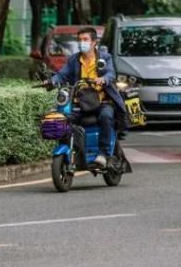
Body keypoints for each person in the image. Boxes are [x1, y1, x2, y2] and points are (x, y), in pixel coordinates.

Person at [51, 27, 126, 168]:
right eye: (79, 40)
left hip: (102, 102)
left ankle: (103, 154)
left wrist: (103, 79)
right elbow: (62, 75)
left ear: (93, 42)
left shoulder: (105, 58)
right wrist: (52, 81)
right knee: (63, 118)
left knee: (106, 116)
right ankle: (72, 149)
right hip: (80, 102)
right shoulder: (74, 59)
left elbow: (111, 74)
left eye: (85, 39)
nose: (82, 43)